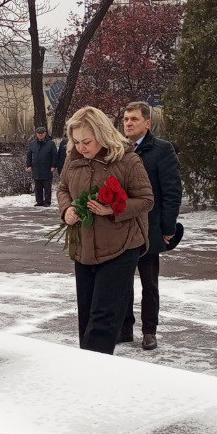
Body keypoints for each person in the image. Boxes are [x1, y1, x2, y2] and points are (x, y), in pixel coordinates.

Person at [57, 106, 154, 354]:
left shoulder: (128, 160)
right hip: (84, 248)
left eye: (87, 141)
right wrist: (67, 209)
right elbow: (63, 188)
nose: (81, 147)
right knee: (86, 314)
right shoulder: (73, 160)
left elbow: (146, 200)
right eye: (77, 141)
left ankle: (93, 369)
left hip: (121, 247)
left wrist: (112, 209)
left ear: (102, 134)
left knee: (103, 317)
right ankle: (87, 363)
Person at [118, 101, 182, 350]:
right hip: (122, 227)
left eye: (134, 119)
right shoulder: (119, 148)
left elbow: (171, 191)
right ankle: (124, 328)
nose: (128, 123)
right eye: (126, 119)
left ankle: (149, 331)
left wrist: (168, 228)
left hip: (150, 228)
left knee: (149, 284)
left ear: (147, 123)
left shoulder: (162, 149)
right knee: (123, 281)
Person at [26, 126, 59, 206]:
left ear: (45, 133)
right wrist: (28, 165)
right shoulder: (33, 144)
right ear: (36, 134)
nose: (40, 135)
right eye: (38, 133)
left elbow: (54, 155)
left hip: (47, 168)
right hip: (36, 168)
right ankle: (39, 201)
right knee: (38, 186)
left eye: (42, 133)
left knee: (47, 187)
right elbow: (29, 155)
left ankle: (47, 202)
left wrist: (53, 166)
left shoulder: (51, 143)